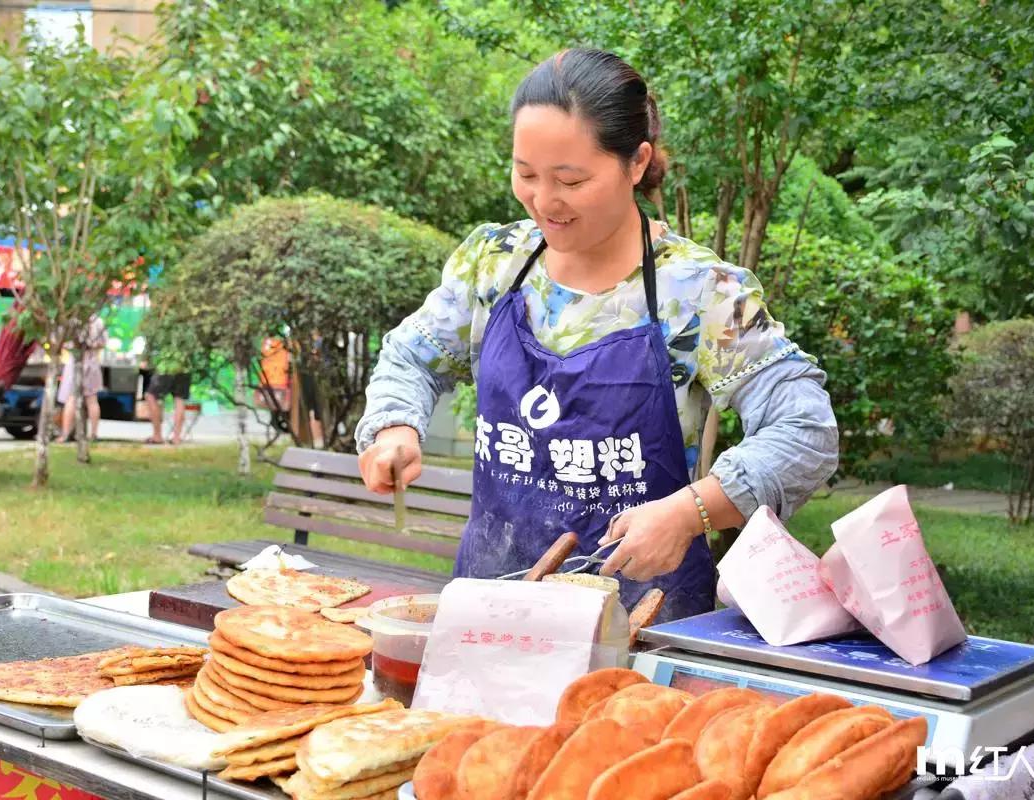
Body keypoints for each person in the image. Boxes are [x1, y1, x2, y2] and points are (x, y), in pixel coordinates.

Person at [356, 49, 839, 622]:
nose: (543, 200)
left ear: (636, 163)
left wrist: (690, 512)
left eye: (571, 179)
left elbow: (805, 430)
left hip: (642, 630)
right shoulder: (494, 263)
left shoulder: (701, 292)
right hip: (488, 618)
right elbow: (411, 356)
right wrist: (394, 424)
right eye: (526, 174)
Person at [58, 314, 107, 442]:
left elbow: (62, 342)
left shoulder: (72, 320)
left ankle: (65, 434)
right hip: (92, 361)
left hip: (75, 360)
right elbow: (103, 343)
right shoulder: (98, 321)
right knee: (92, 399)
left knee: (71, 398)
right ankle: (94, 434)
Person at [144, 369, 191, 445]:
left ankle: (157, 436)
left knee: (150, 396)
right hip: (184, 367)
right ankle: (176, 438)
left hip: (166, 368)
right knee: (179, 399)